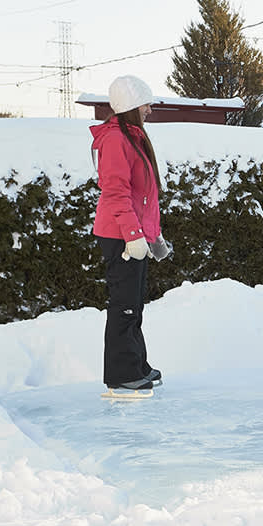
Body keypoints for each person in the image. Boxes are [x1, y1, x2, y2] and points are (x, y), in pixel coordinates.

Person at [90, 75, 172, 394]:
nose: (150, 109)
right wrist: (133, 236)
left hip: (133, 235)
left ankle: (136, 365)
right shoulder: (115, 140)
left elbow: (145, 196)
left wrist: (153, 237)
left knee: (134, 305)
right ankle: (122, 374)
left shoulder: (133, 137)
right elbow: (116, 192)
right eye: (146, 103)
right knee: (124, 306)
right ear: (131, 106)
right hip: (120, 236)